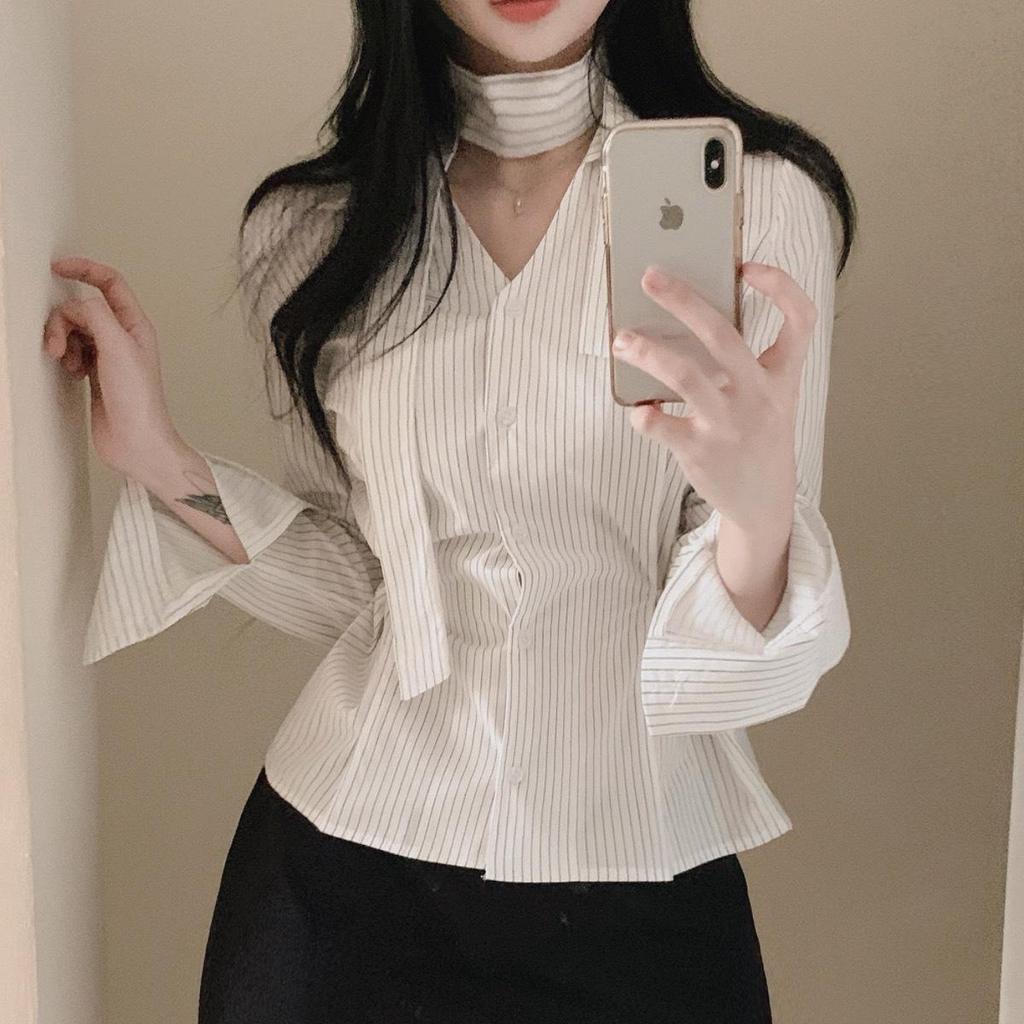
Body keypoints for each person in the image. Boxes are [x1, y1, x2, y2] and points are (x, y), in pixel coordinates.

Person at [44, 0, 856, 1020]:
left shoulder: (762, 204)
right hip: (339, 881)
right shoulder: (314, 228)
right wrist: (158, 458)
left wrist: (756, 509)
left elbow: (746, 668)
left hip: (643, 888)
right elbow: (374, 588)